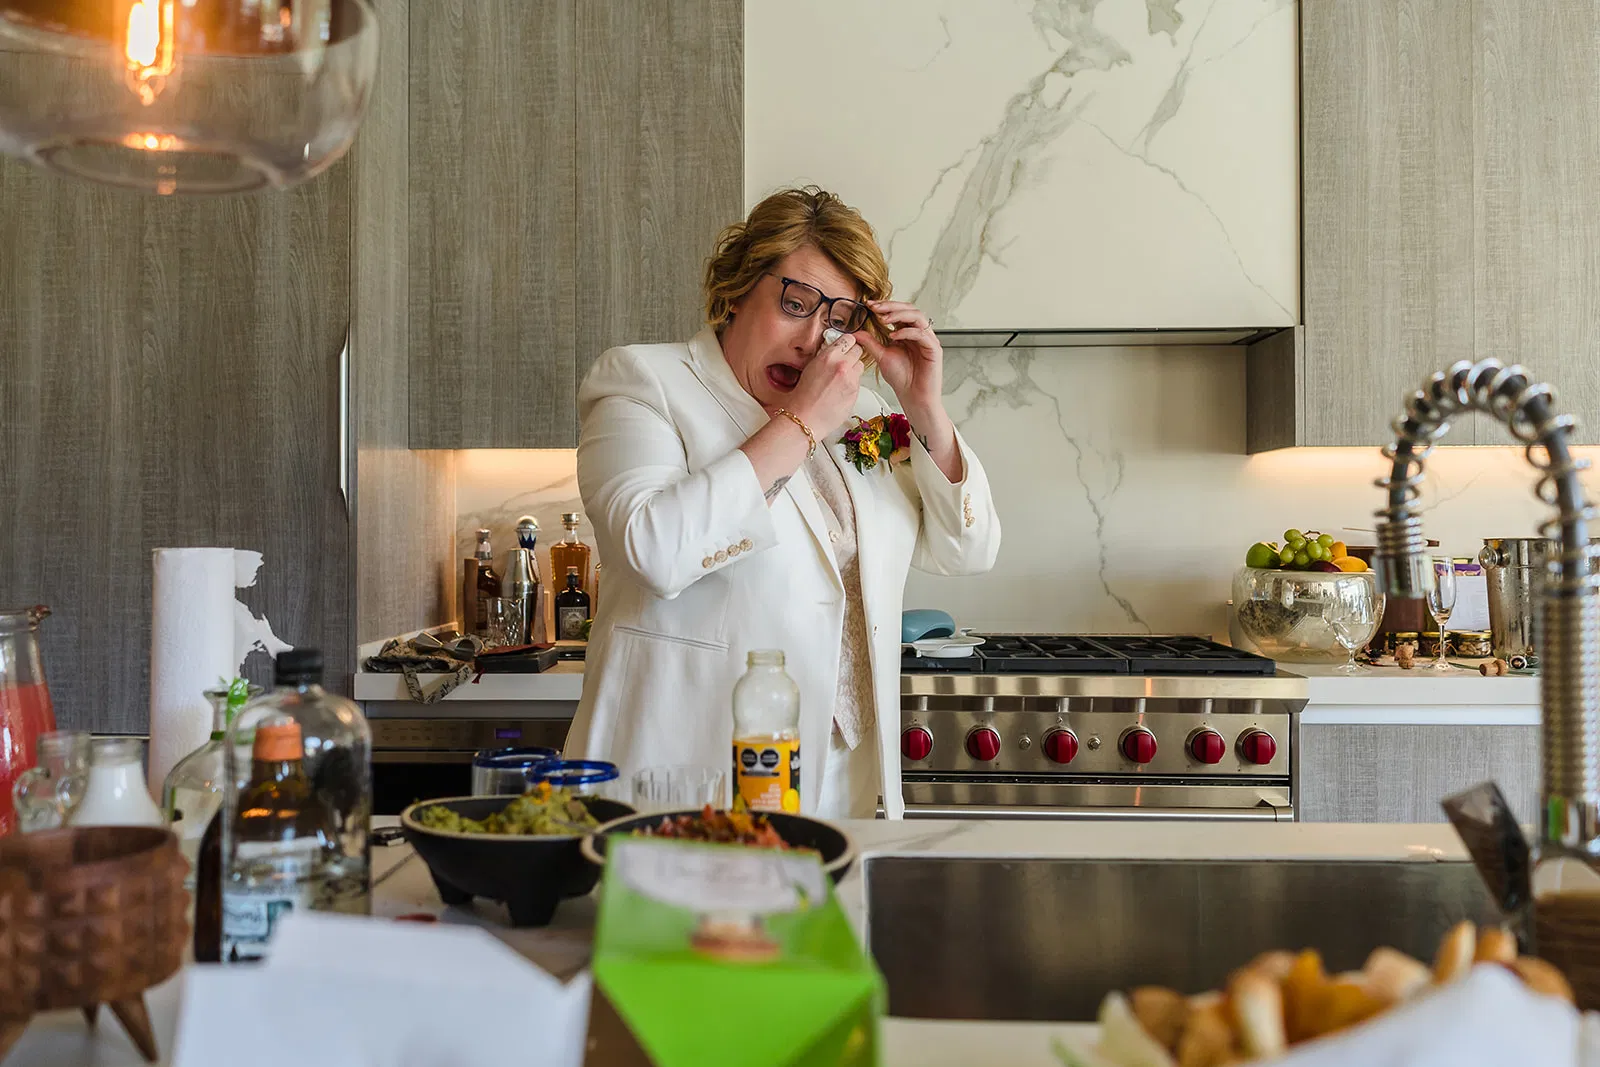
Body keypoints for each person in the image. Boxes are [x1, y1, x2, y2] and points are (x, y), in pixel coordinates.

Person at [563, 186, 1001, 818]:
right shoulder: (644, 383)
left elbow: (970, 550)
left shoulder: (867, 418)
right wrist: (798, 422)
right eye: (796, 304)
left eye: (841, 320)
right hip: (690, 784)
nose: (814, 340)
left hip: (843, 787)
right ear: (737, 288)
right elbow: (653, 550)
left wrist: (922, 403)